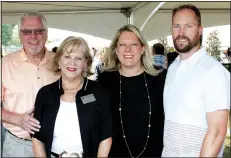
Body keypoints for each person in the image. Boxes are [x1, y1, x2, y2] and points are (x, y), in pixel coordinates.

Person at [163, 4, 230, 157]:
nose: (181, 32)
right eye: (176, 26)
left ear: (200, 30)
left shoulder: (213, 71)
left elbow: (218, 132)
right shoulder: (173, 67)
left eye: (188, 26)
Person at [32, 36, 112, 157]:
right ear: (58, 60)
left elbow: (106, 136)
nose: (72, 63)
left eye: (78, 58)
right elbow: (36, 138)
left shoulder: (98, 92)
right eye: (67, 56)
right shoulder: (45, 94)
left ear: (85, 63)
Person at [98, 24, 166, 157]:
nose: (128, 49)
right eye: (122, 45)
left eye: (134, 44)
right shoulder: (105, 80)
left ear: (142, 49)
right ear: (116, 50)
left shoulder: (160, 78)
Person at [1, 12, 60, 157]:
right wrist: (17, 119)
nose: (33, 36)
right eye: (27, 31)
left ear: (46, 34)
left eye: (38, 31)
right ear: (20, 35)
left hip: (55, 144)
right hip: (19, 146)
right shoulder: (5, 64)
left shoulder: (60, 62)